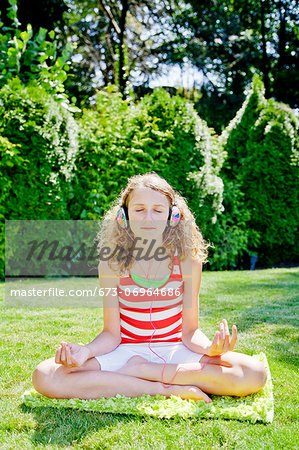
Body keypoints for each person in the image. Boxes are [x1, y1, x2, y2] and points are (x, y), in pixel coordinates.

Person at [32, 172, 267, 403]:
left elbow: (189, 331)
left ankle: (142, 371)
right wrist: (86, 351)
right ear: (123, 216)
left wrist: (210, 348)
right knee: (45, 376)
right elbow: (112, 334)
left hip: (175, 349)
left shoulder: (187, 261)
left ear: (172, 216)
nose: (148, 218)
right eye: (139, 210)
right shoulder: (111, 263)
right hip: (126, 350)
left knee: (253, 373)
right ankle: (166, 389)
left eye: (157, 210)